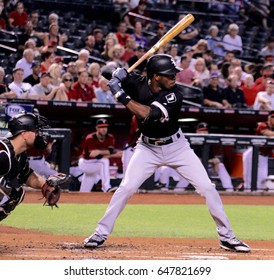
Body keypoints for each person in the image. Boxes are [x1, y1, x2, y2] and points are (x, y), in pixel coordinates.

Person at [83, 54, 250, 252]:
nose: (174, 77)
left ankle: (227, 237)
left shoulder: (174, 95)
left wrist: (120, 94)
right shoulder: (136, 81)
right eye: (169, 74)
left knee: (207, 187)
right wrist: (116, 72)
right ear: (154, 76)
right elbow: (106, 70)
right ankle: (100, 233)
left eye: (174, 74)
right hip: (147, 148)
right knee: (126, 188)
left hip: (177, 147)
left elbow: (147, 114)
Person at [0, 111, 56, 221]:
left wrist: (46, 185)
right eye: (36, 130)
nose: (40, 134)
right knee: (4, 194)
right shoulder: (3, 153)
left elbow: (26, 175)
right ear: (24, 134)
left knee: (16, 194)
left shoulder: (19, 156)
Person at [78, 119, 121, 192]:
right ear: (96, 128)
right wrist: (114, 155)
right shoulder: (90, 138)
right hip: (86, 163)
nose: (104, 129)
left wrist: (99, 151)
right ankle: (106, 187)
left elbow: (109, 151)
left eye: (105, 127)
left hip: (94, 166)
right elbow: (94, 156)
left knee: (83, 192)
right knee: (104, 161)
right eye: (101, 127)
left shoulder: (110, 137)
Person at [242, 110, 274, 191]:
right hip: (253, 154)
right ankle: (246, 197)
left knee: (262, 179)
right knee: (249, 178)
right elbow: (268, 133)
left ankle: (257, 198)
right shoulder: (263, 125)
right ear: (269, 118)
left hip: (264, 156)